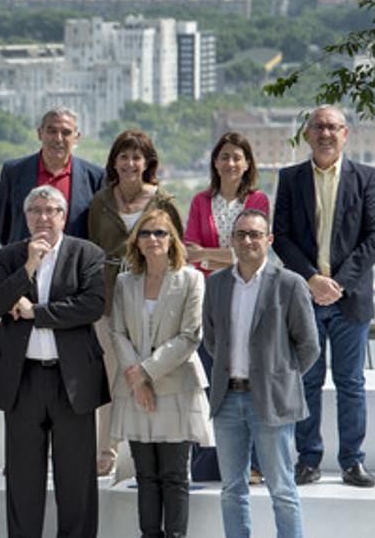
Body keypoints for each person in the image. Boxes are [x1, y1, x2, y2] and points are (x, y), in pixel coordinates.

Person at [0, 185, 108, 538]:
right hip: (23, 381)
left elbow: (91, 306)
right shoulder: (10, 256)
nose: (43, 218)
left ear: (63, 216)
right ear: (26, 217)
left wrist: (36, 313)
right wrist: (28, 267)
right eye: (35, 211)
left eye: (50, 210)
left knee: (77, 483)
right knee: (23, 481)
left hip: (72, 382)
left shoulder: (87, 254)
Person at [273, 105, 375, 488]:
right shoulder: (290, 179)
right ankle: (308, 460)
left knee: (350, 382)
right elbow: (281, 236)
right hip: (304, 298)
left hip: (350, 301)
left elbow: (374, 238)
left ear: (345, 134)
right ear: (307, 134)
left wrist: (337, 283)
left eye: (333, 127)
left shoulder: (365, 178)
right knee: (307, 380)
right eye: (318, 127)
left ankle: (353, 461)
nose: (325, 134)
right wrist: (311, 280)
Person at [204, 209, 319, 538]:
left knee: (282, 491)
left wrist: (278, 378)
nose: (248, 240)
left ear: (268, 240)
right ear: (232, 241)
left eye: (255, 234)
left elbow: (309, 346)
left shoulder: (290, 284)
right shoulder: (216, 285)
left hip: (270, 401)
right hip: (227, 400)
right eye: (241, 234)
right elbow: (213, 340)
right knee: (232, 490)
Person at [109, 209, 213, 538]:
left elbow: (190, 336)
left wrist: (145, 373)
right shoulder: (126, 282)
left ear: (172, 240)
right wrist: (136, 379)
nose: (153, 239)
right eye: (146, 233)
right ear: (136, 242)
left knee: (174, 474)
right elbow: (117, 332)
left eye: (160, 233)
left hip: (176, 389)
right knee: (146, 475)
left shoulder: (191, 278)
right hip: (134, 390)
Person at [87, 129, 182, 477]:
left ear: (148, 163)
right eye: (124, 157)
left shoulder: (163, 201)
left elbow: (178, 251)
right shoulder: (101, 201)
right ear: (114, 162)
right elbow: (91, 249)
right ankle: (107, 448)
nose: (130, 164)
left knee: (152, 373)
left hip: (153, 299)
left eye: (137, 157)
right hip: (110, 300)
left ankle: (154, 447)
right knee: (113, 376)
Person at [182, 131, 269, 483]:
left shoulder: (258, 200)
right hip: (207, 300)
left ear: (247, 163)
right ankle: (208, 464)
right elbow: (189, 251)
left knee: (248, 381)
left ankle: (253, 465)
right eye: (224, 157)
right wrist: (225, 256)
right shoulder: (201, 201)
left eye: (237, 157)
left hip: (249, 296)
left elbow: (252, 252)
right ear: (215, 162)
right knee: (209, 382)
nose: (230, 163)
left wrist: (208, 254)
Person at [0, 107, 104, 246]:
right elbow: (1, 225)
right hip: (25, 262)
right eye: (52, 131)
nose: (58, 139)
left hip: (74, 264)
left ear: (76, 138)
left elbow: (99, 230)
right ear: (40, 134)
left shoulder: (95, 177)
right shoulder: (14, 172)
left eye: (66, 133)